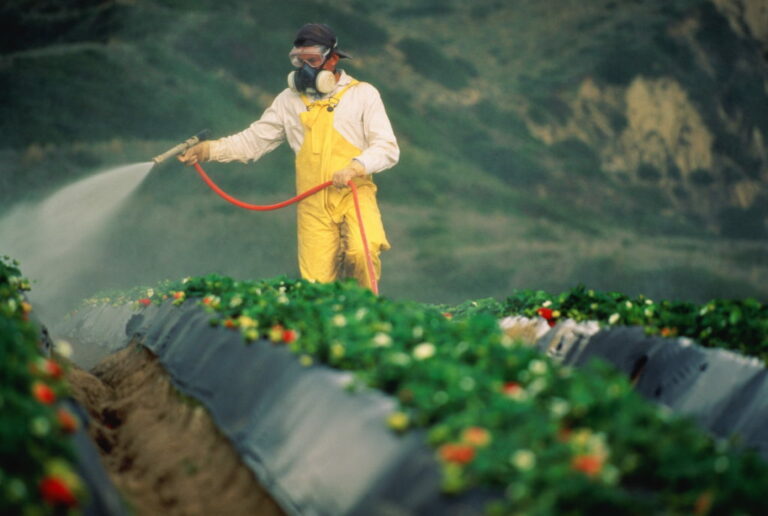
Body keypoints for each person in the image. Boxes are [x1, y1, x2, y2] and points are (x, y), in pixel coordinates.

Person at [179, 23, 398, 291]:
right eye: (299, 61)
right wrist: (208, 150)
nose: (305, 69)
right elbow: (253, 141)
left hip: (354, 193)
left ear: (333, 59)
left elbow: (387, 147)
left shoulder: (363, 94)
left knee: (361, 253)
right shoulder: (288, 100)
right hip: (312, 202)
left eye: (312, 61)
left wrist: (356, 166)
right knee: (316, 285)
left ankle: (364, 317)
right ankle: (328, 326)